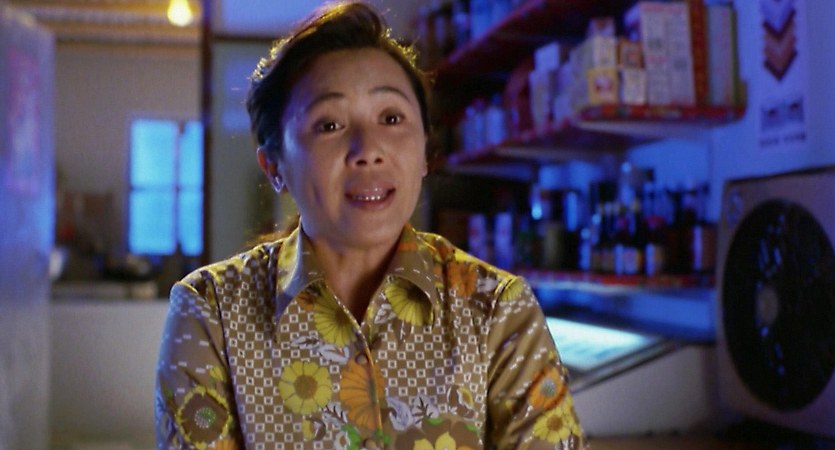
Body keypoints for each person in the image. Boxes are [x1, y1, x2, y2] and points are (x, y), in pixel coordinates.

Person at [155, 2, 587, 449]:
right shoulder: (211, 314)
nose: (368, 150)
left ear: (424, 151)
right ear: (275, 166)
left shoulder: (498, 311)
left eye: (391, 118)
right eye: (329, 124)